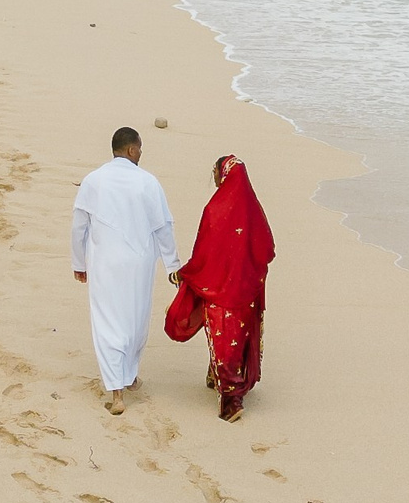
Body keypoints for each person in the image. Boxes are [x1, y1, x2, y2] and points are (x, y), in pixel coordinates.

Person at [71, 127, 179, 414]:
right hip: (139, 263)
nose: (141, 154)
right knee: (136, 318)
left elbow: (79, 225)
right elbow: (163, 227)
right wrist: (173, 264)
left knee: (107, 321)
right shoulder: (148, 182)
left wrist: (78, 263)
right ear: (131, 150)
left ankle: (120, 389)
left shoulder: (93, 180)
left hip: (104, 262)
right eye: (140, 149)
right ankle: (126, 375)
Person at [164, 154, 276, 422]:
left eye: (214, 172)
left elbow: (205, 251)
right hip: (247, 291)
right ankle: (216, 378)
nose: (213, 178)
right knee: (238, 338)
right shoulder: (254, 211)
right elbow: (267, 250)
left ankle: (231, 402)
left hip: (220, 289)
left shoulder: (215, 209)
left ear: (223, 175)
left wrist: (187, 273)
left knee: (223, 338)